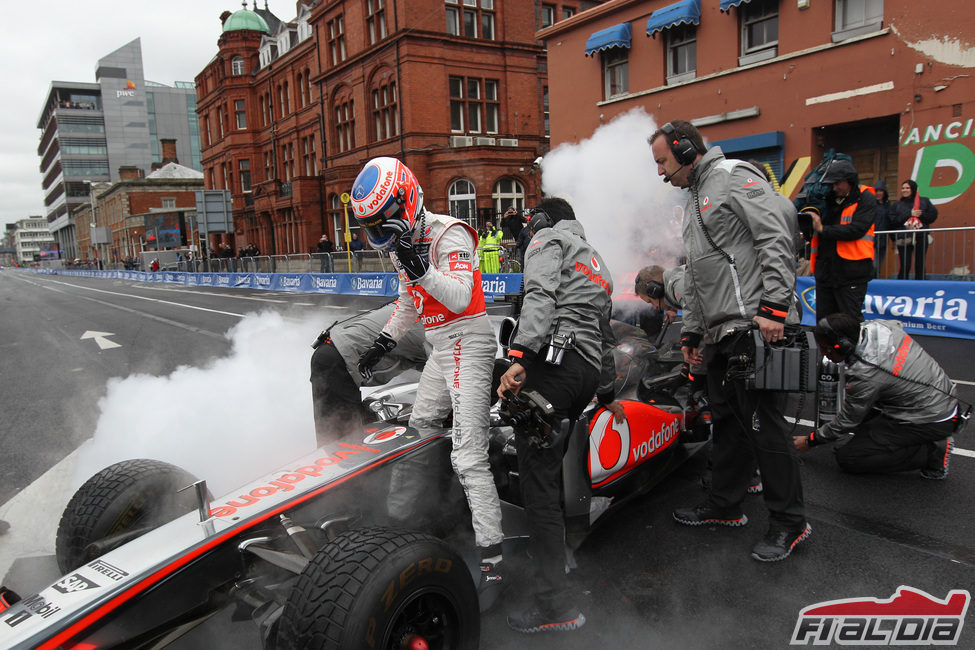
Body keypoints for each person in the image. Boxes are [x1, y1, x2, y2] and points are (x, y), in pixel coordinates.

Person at [350, 156, 505, 610]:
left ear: (406, 200)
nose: (380, 237)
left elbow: (458, 296)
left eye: (384, 225)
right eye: (372, 228)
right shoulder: (404, 243)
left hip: (470, 342)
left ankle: (494, 561)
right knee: (417, 433)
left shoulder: (451, 232)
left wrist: (421, 270)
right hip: (441, 347)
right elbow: (408, 304)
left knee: (469, 455)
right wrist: (382, 343)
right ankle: (410, 523)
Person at [650, 119, 809, 562]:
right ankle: (725, 506)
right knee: (729, 422)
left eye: (663, 161)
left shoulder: (733, 176)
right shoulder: (694, 202)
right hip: (721, 333)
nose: (661, 172)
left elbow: (776, 235)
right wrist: (692, 331)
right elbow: (700, 278)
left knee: (764, 427)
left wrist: (775, 308)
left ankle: (790, 523)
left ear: (685, 150)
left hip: (755, 326)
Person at [497, 197, 624, 634]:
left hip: (552, 367)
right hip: (584, 376)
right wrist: (606, 391)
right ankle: (562, 565)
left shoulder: (547, 239)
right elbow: (606, 336)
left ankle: (556, 605)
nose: (528, 225)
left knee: (540, 492)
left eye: (532, 218)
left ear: (546, 219)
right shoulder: (597, 261)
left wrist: (518, 355)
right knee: (550, 474)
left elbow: (540, 295)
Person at [795, 313, 964, 478]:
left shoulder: (866, 373)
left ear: (844, 345)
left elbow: (848, 420)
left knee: (850, 458)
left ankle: (932, 452)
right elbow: (899, 323)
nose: (824, 354)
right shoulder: (882, 326)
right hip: (943, 398)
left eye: (826, 349)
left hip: (931, 419)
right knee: (862, 419)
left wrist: (811, 440)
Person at [309, 303, 429, 446]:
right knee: (342, 445)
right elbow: (446, 375)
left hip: (336, 353)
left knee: (346, 441)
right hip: (336, 361)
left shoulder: (423, 305)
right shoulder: (435, 328)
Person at [802, 158, 876, 321]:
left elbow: (857, 229)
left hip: (852, 272)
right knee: (824, 322)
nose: (834, 188)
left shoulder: (865, 198)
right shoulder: (826, 200)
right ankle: (826, 347)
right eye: (831, 184)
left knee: (849, 321)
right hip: (826, 271)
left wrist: (822, 229)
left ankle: (850, 347)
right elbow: (814, 232)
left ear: (849, 181)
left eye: (837, 184)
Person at [891, 179, 938, 280]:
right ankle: (902, 286)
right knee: (905, 264)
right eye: (903, 188)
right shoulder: (897, 205)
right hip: (903, 237)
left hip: (921, 236)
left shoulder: (924, 201)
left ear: (913, 189)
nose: (904, 190)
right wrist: (909, 214)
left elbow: (933, 216)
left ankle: (920, 285)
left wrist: (921, 215)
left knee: (920, 263)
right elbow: (893, 220)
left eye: (907, 188)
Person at [873, 181, 891, 278]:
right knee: (874, 265)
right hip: (871, 238)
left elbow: (891, 222)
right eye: (876, 191)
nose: (878, 193)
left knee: (879, 264)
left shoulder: (888, 206)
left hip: (883, 239)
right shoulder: (870, 204)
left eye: (880, 191)